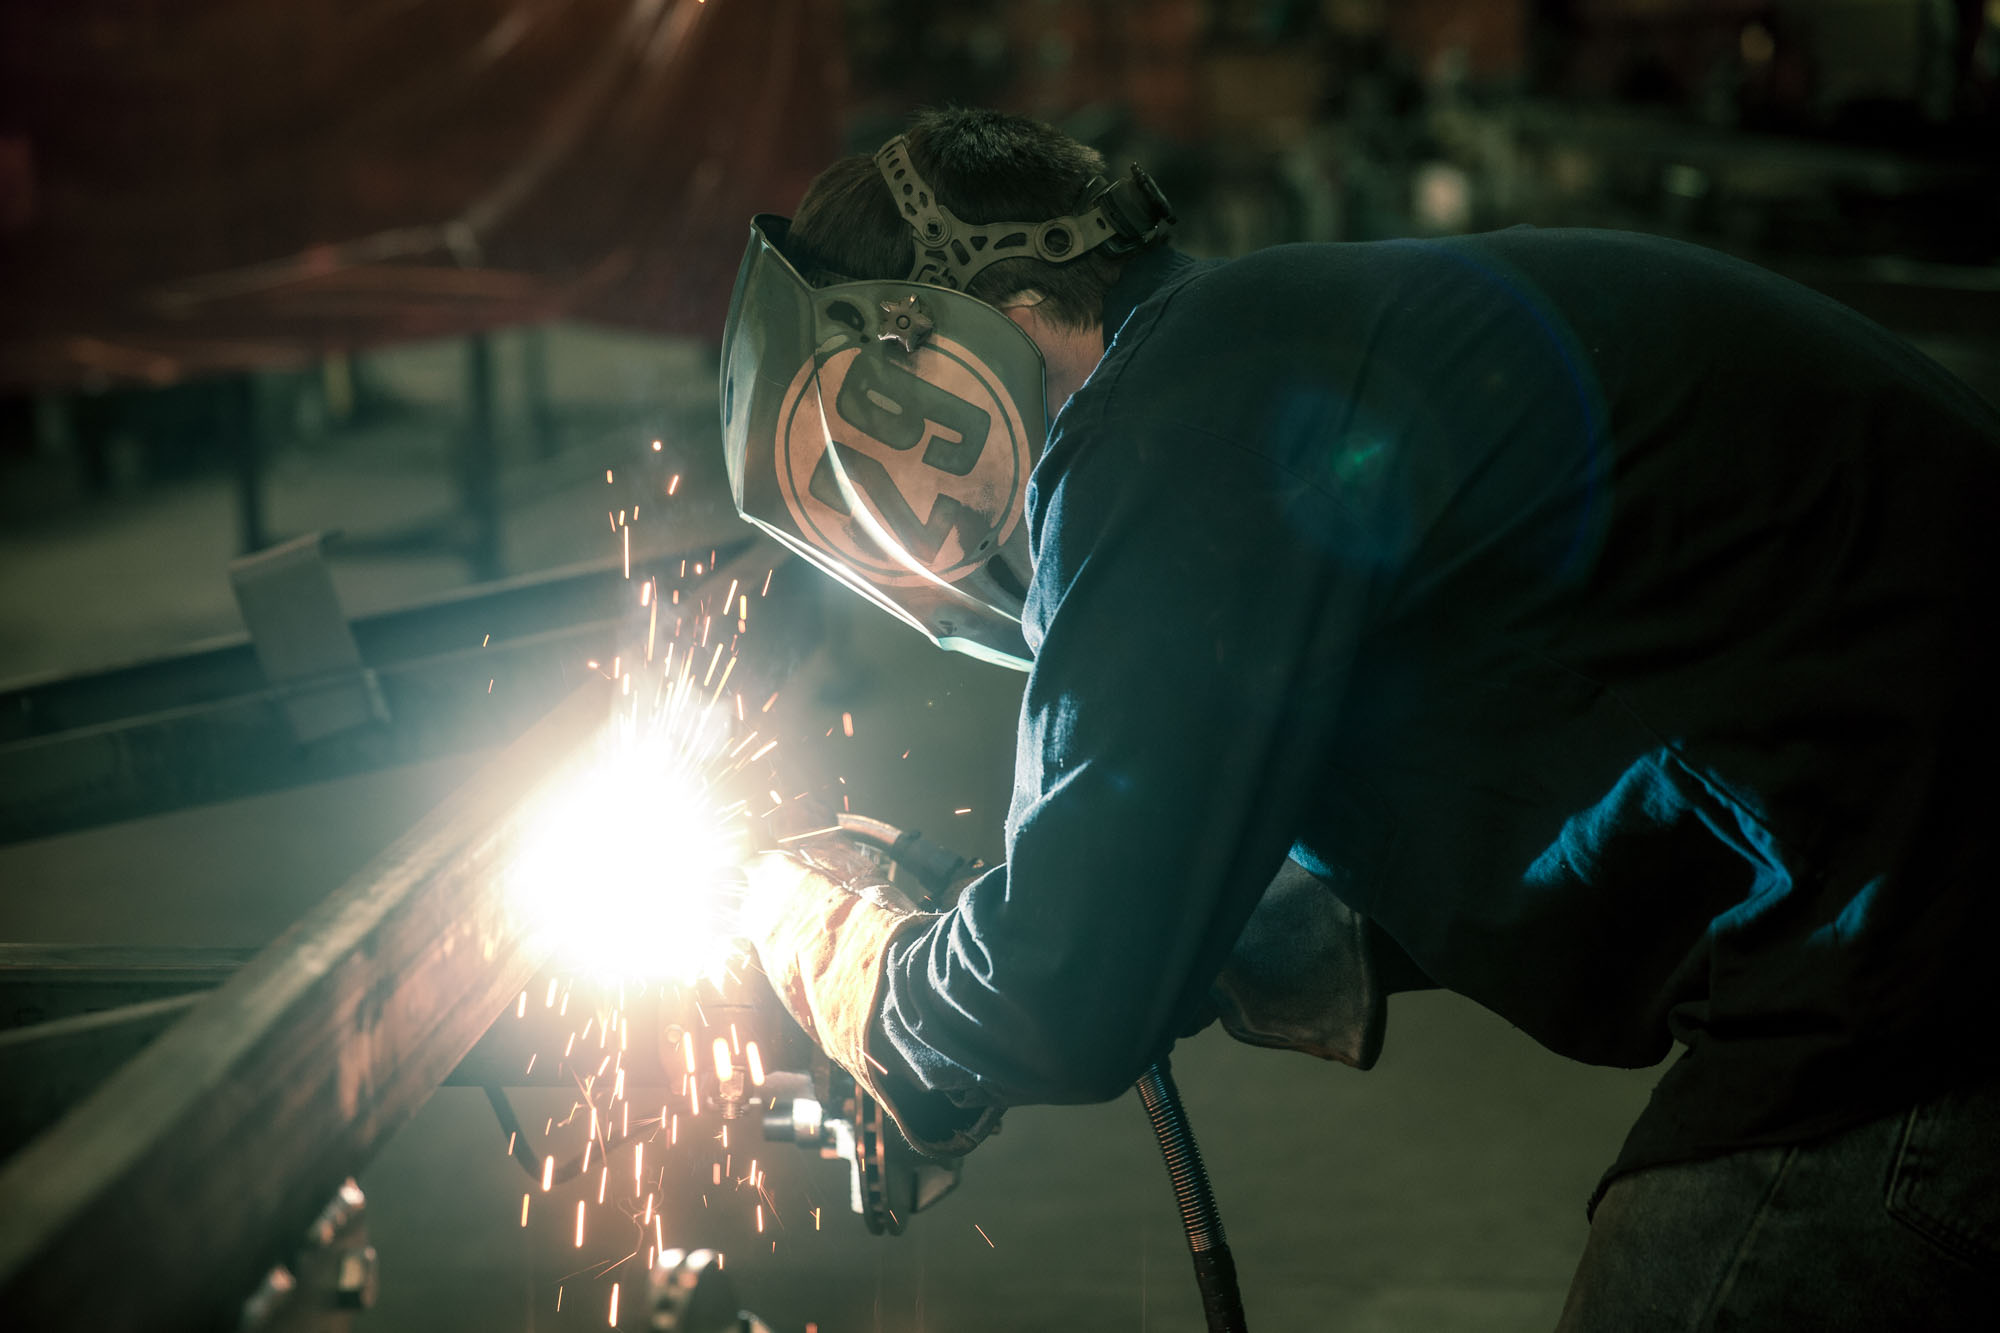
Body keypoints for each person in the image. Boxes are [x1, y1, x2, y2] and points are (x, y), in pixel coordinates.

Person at [718, 107, 2000, 1328]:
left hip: (1923, 968)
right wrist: (1036, 936)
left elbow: (1067, 986)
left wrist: (867, 978)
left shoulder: (1168, 406)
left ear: (942, 344)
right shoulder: (1281, 359)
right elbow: (1496, 783)